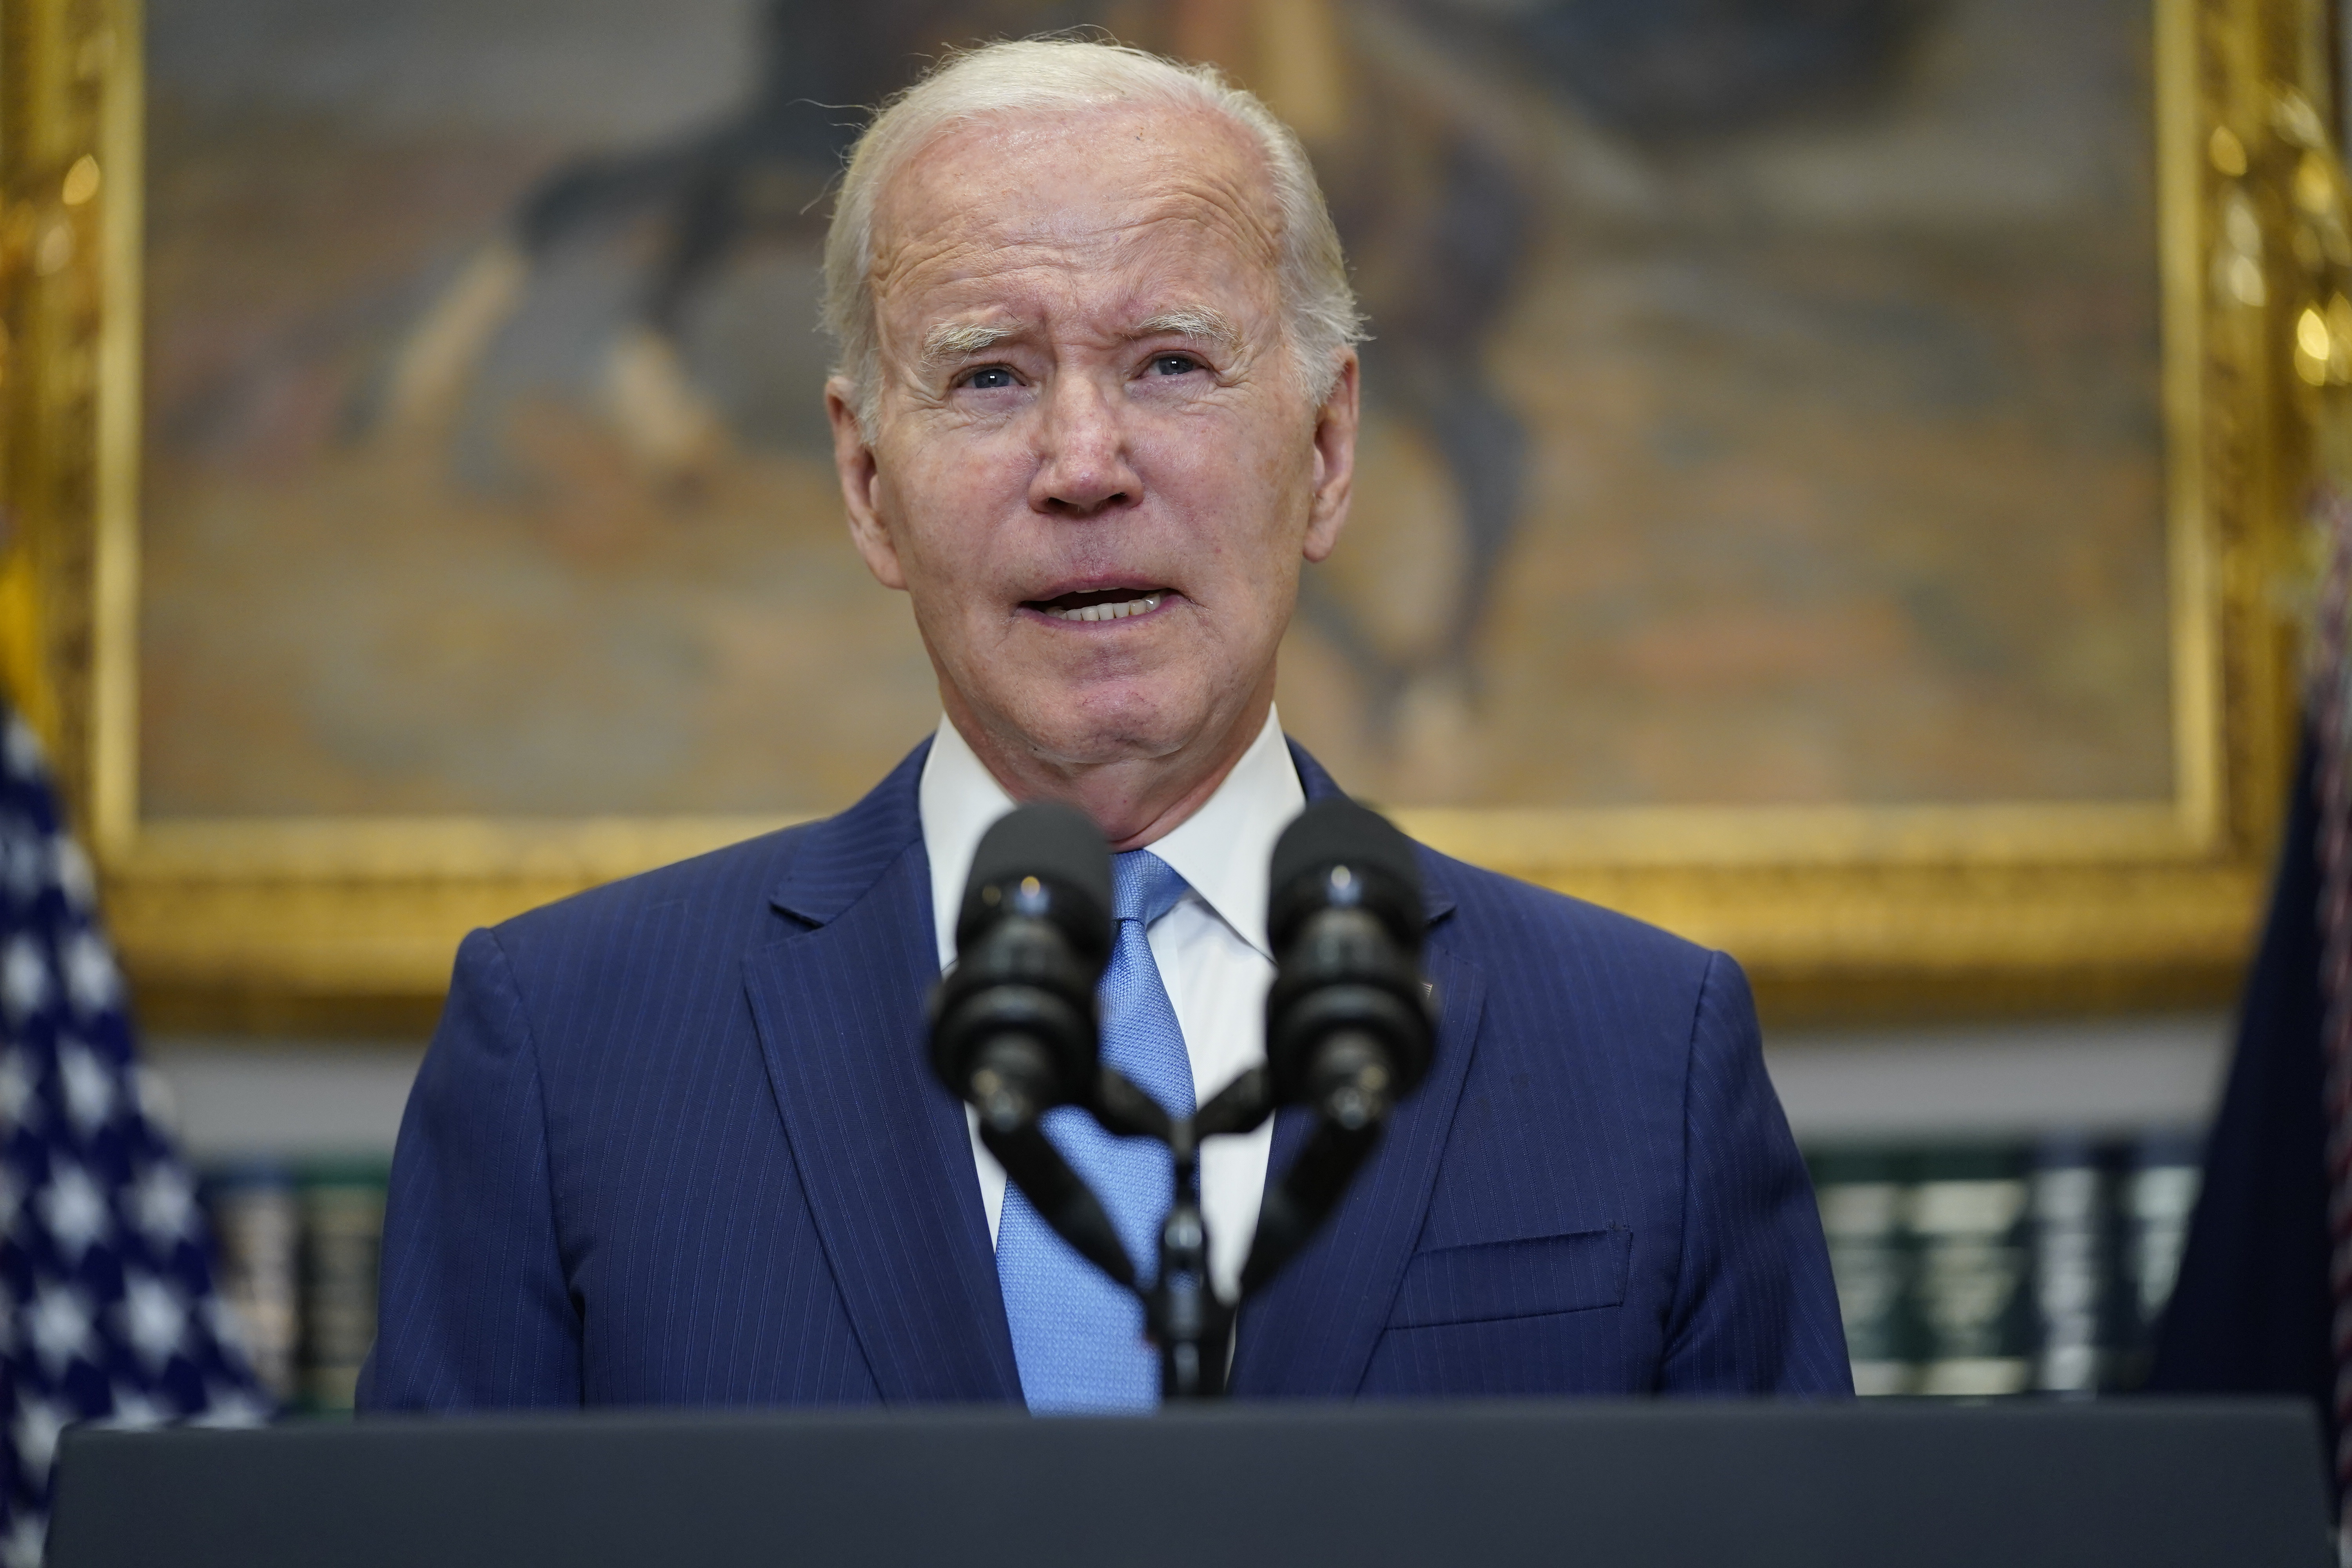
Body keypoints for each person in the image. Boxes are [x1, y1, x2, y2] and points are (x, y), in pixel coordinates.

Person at [359, 38, 1848, 1412]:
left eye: (1172, 365)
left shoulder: (1645, 1053)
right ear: (868, 486)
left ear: (1330, 450)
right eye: (990, 376)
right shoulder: (565, 1053)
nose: (1084, 463)